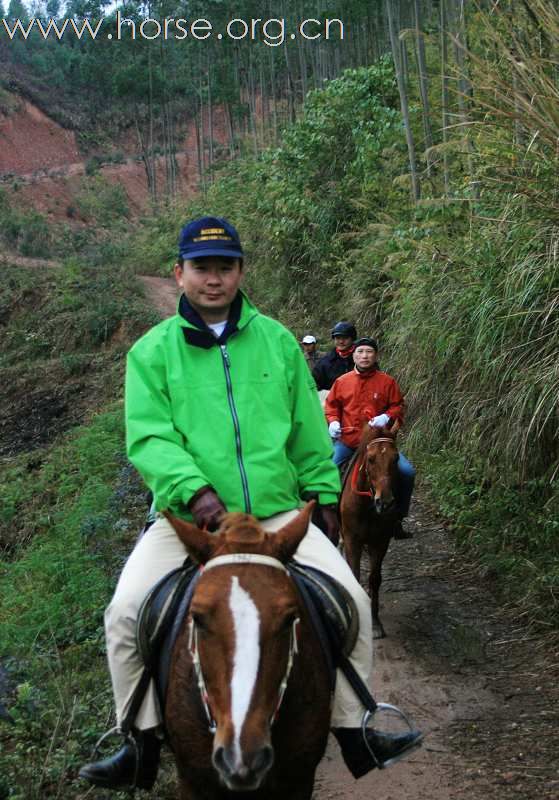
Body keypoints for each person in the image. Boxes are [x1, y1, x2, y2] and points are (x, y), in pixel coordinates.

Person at [79, 218, 421, 791]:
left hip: (276, 511)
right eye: (201, 268)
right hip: (192, 519)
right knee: (124, 612)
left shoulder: (279, 342)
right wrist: (196, 493)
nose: (213, 279)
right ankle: (135, 741)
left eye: (224, 267)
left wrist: (322, 495)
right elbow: (149, 438)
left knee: (353, 604)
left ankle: (354, 726)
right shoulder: (151, 353)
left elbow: (308, 430)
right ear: (180, 272)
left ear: (240, 272)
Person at [324, 337, 416, 540]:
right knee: (328, 469)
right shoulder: (342, 382)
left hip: (379, 444)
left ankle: (398, 518)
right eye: (360, 352)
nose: (365, 356)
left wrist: (387, 416)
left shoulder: (387, 381)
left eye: (369, 352)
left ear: (376, 356)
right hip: (349, 441)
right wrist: (332, 422)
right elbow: (331, 406)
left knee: (407, 472)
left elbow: (398, 406)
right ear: (354, 355)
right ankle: (325, 520)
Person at [312, 320, 357, 390]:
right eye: (338, 338)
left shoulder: (362, 360)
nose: (341, 341)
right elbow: (313, 387)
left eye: (345, 338)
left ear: (352, 339)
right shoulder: (324, 363)